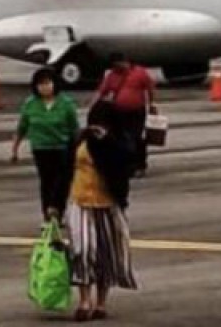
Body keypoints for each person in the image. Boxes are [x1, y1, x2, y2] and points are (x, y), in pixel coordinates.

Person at [68, 101, 139, 321]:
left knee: (105, 254)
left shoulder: (120, 142)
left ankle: (101, 302)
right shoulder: (80, 139)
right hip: (80, 200)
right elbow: (62, 171)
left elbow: (127, 163)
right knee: (82, 250)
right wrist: (54, 203)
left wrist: (106, 141)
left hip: (108, 203)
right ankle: (84, 300)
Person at [10, 68, 80, 221]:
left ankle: (57, 209)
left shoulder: (66, 103)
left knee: (62, 181)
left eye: (47, 83)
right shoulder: (30, 104)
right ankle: (48, 213)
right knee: (46, 181)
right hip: (41, 148)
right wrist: (15, 149)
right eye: (40, 84)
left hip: (62, 147)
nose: (44, 87)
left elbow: (75, 128)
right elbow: (22, 127)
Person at [93, 53, 158, 177]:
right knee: (122, 139)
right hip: (118, 112)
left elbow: (150, 88)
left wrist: (152, 104)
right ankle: (128, 165)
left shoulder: (140, 72)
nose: (117, 68)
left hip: (137, 111)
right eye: (114, 66)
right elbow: (102, 91)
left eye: (118, 65)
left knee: (136, 138)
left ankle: (139, 165)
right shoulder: (112, 76)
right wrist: (94, 107)